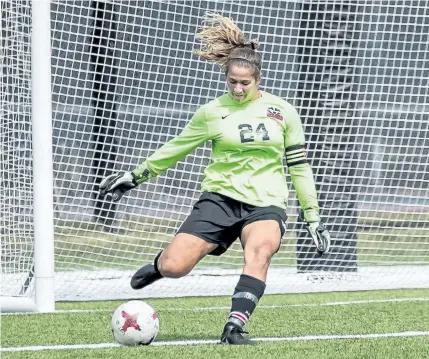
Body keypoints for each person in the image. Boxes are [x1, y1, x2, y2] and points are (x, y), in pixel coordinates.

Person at [99, 12, 331, 345]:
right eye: (232, 81)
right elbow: (176, 148)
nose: (238, 88)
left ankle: (234, 327)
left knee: (260, 251)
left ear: (258, 79)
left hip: (266, 204)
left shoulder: (283, 112)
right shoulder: (212, 112)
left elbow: (299, 166)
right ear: (226, 77)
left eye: (245, 83)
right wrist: (135, 177)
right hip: (219, 199)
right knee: (176, 265)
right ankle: (159, 267)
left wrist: (312, 216)